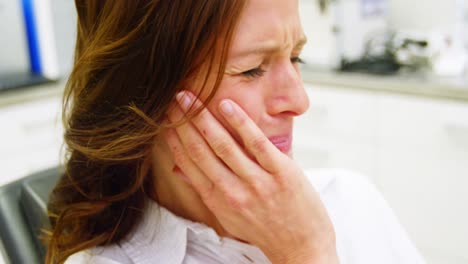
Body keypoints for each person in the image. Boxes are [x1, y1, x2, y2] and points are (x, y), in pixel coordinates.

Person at [46, 1, 426, 263]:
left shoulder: (352, 198)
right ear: (147, 96)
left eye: (296, 58)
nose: (299, 100)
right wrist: (305, 254)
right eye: (251, 69)